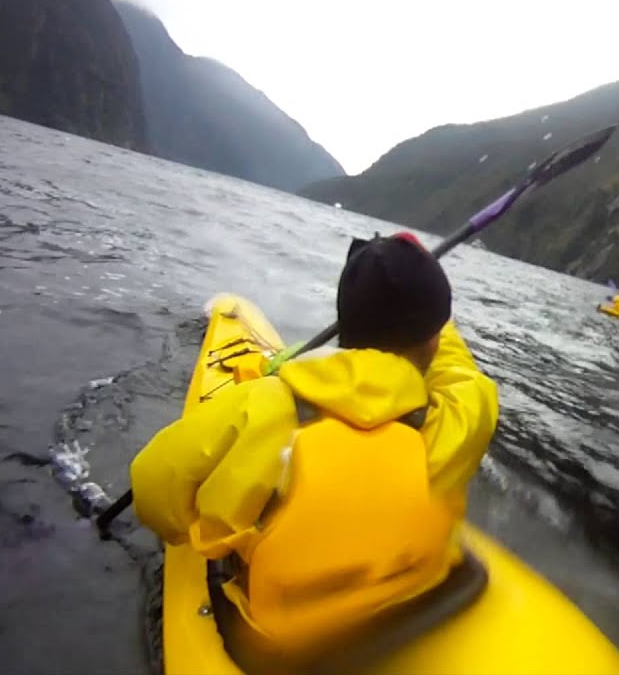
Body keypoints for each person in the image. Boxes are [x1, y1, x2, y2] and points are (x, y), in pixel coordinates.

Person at [129, 232, 499, 656]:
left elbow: (151, 486)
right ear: (433, 336)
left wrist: (199, 526)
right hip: (407, 609)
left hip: (275, 639)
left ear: (347, 325)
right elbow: (459, 371)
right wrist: (419, 289)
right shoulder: (462, 415)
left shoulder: (261, 404)